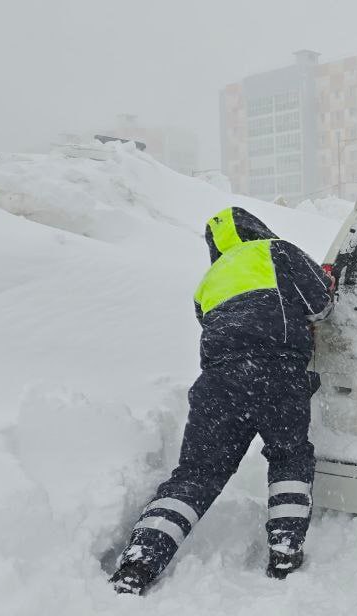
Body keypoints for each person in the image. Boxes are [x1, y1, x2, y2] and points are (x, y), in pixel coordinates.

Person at [109, 206, 333, 595]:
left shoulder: (209, 281)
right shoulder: (276, 251)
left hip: (219, 385)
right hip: (278, 374)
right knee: (289, 457)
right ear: (255, 228)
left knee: (196, 474)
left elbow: (221, 326)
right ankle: (284, 551)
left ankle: (140, 561)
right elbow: (321, 306)